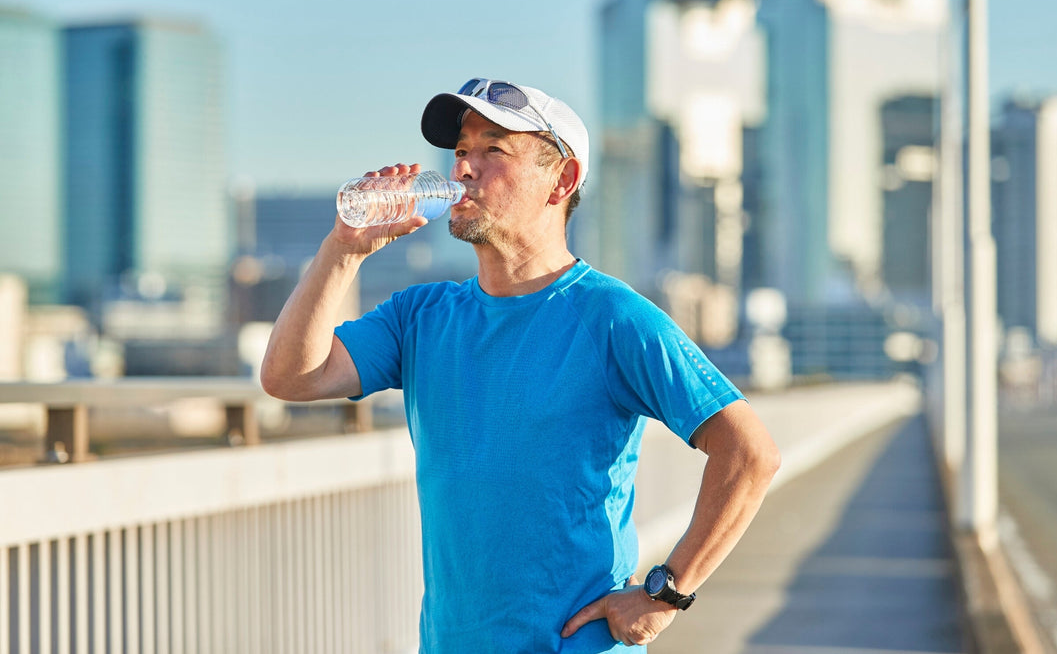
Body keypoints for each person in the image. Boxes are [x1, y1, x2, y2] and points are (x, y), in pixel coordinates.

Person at [261, 78, 781, 653]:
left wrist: (666, 595)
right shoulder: (422, 316)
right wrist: (344, 248)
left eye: (493, 150)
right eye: (460, 152)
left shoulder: (611, 316)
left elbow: (749, 452)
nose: (463, 170)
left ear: (561, 180)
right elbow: (291, 376)